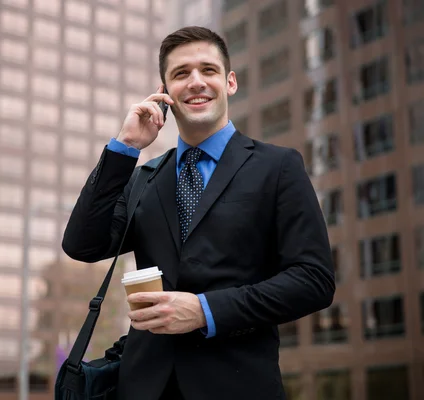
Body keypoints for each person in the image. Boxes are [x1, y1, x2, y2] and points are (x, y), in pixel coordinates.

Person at [62, 26, 335, 400]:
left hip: (239, 386)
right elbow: (82, 245)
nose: (195, 82)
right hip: (143, 387)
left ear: (230, 82)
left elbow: (313, 280)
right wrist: (123, 148)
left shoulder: (278, 167)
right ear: (165, 94)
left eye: (208, 70)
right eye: (180, 74)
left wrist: (205, 311)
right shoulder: (144, 176)